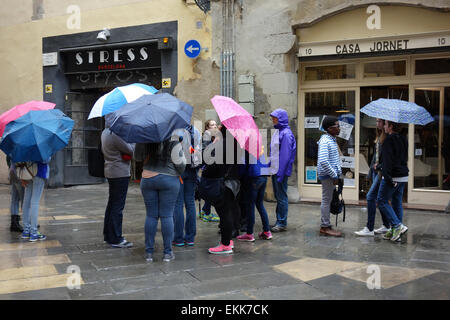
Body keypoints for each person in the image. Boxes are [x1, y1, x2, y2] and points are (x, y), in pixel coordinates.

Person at [136, 138, 186, 262]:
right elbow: (181, 165)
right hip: (169, 179)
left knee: (151, 216)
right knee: (167, 216)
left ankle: (149, 253)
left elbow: (137, 157)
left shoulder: (145, 136)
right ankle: (167, 253)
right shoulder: (173, 138)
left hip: (148, 178)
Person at [204, 126, 241, 254]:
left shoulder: (223, 144)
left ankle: (225, 245)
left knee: (225, 213)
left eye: (220, 125)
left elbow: (211, 163)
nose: (218, 127)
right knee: (228, 211)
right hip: (233, 182)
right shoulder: (235, 143)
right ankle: (228, 241)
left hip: (223, 183)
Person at [101, 115, 135, 248]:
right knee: (117, 206)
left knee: (112, 203)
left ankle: (108, 234)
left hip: (110, 170)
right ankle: (116, 238)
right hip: (120, 172)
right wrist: (133, 140)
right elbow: (130, 150)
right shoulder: (114, 134)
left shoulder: (105, 132)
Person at [355, 119, 391, 236]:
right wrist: (371, 171)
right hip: (376, 171)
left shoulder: (387, 138)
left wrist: (379, 167)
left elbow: (386, 158)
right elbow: (375, 157)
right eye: (377, 122)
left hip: (381, 172)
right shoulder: (379, 136)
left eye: (380, 122)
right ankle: (386, 225)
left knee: (371, 196)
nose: (377, 124)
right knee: (379, 198)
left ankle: (370, 228)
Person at [377, 120, 409, 242]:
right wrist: (380, 166)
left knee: (381, 200)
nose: (384, 126)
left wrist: (388, 178)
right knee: (396, 202)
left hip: (392, 176)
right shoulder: (403, 139)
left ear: (390, 126)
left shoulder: (388, 140)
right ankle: (395, 231)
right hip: (403, 175)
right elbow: (401, 158)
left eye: (385, 124)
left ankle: (397, 225)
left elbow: (388, 162)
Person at [173, 124, 202, 247]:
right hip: (192, 170)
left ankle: (178, 238)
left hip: (179, 169)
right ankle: (190, 237)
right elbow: (197, 151)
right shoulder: (195, 131)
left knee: (178, 203)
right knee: (190, 203)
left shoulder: (175, 131)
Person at [269, 109, 296, 232]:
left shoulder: (286, 134)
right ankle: (279, 221)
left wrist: (280, 173)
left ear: (281, 118)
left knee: (281, 196)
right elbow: (273, 152)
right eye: (273, 118)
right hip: (275, 169)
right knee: (278, 196)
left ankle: (282, 222)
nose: (273, 120)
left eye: (275, 118)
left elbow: (285, 156)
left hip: (280, 171)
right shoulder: (279, 132)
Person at [237, 150, 272, 242]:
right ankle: (267, 231)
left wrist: (239, 176)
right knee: (260, 204)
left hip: (254, 177)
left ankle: (249, 233)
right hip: (263, 176)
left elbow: (243, 165)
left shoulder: (247, 149)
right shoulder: (259, 147)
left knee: (250, 205)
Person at [317, 116, 343, 237]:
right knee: (326, 200)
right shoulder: (325, 141)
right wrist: (334, 175)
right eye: (337, 126)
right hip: (328, 176)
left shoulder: (331, 139)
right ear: (330, 128)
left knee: (328, 199)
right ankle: (325, 226)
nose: (339, 128)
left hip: (330, 175)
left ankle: (326, 224)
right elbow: (323, 161)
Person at [20, 160, 49, 242]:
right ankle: (34, 232)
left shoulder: (25, 146)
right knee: (34, 202)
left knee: (26, 201)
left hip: (28, 172)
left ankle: (26, 230)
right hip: (39, 172)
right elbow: (46, 159)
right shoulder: (41, 146)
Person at [199, 119, 220, 223]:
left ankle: (204, 211)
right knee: (210, 192)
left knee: (209, 192)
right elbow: (205, 153)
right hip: (208, 169)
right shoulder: (207, 137)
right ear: (207, 127)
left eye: (216, 124)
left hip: (210, 168)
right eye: (212, 125)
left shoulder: (212, 137)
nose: (215, 126)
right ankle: (207, 214)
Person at [7, 156, 24, 232]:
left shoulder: (11, 145)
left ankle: (14, 223)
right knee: (24, 199)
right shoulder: (21, 146)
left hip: (12, 171)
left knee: (14, 199)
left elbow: (8, 159)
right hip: (19, 174)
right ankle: (29, 222)